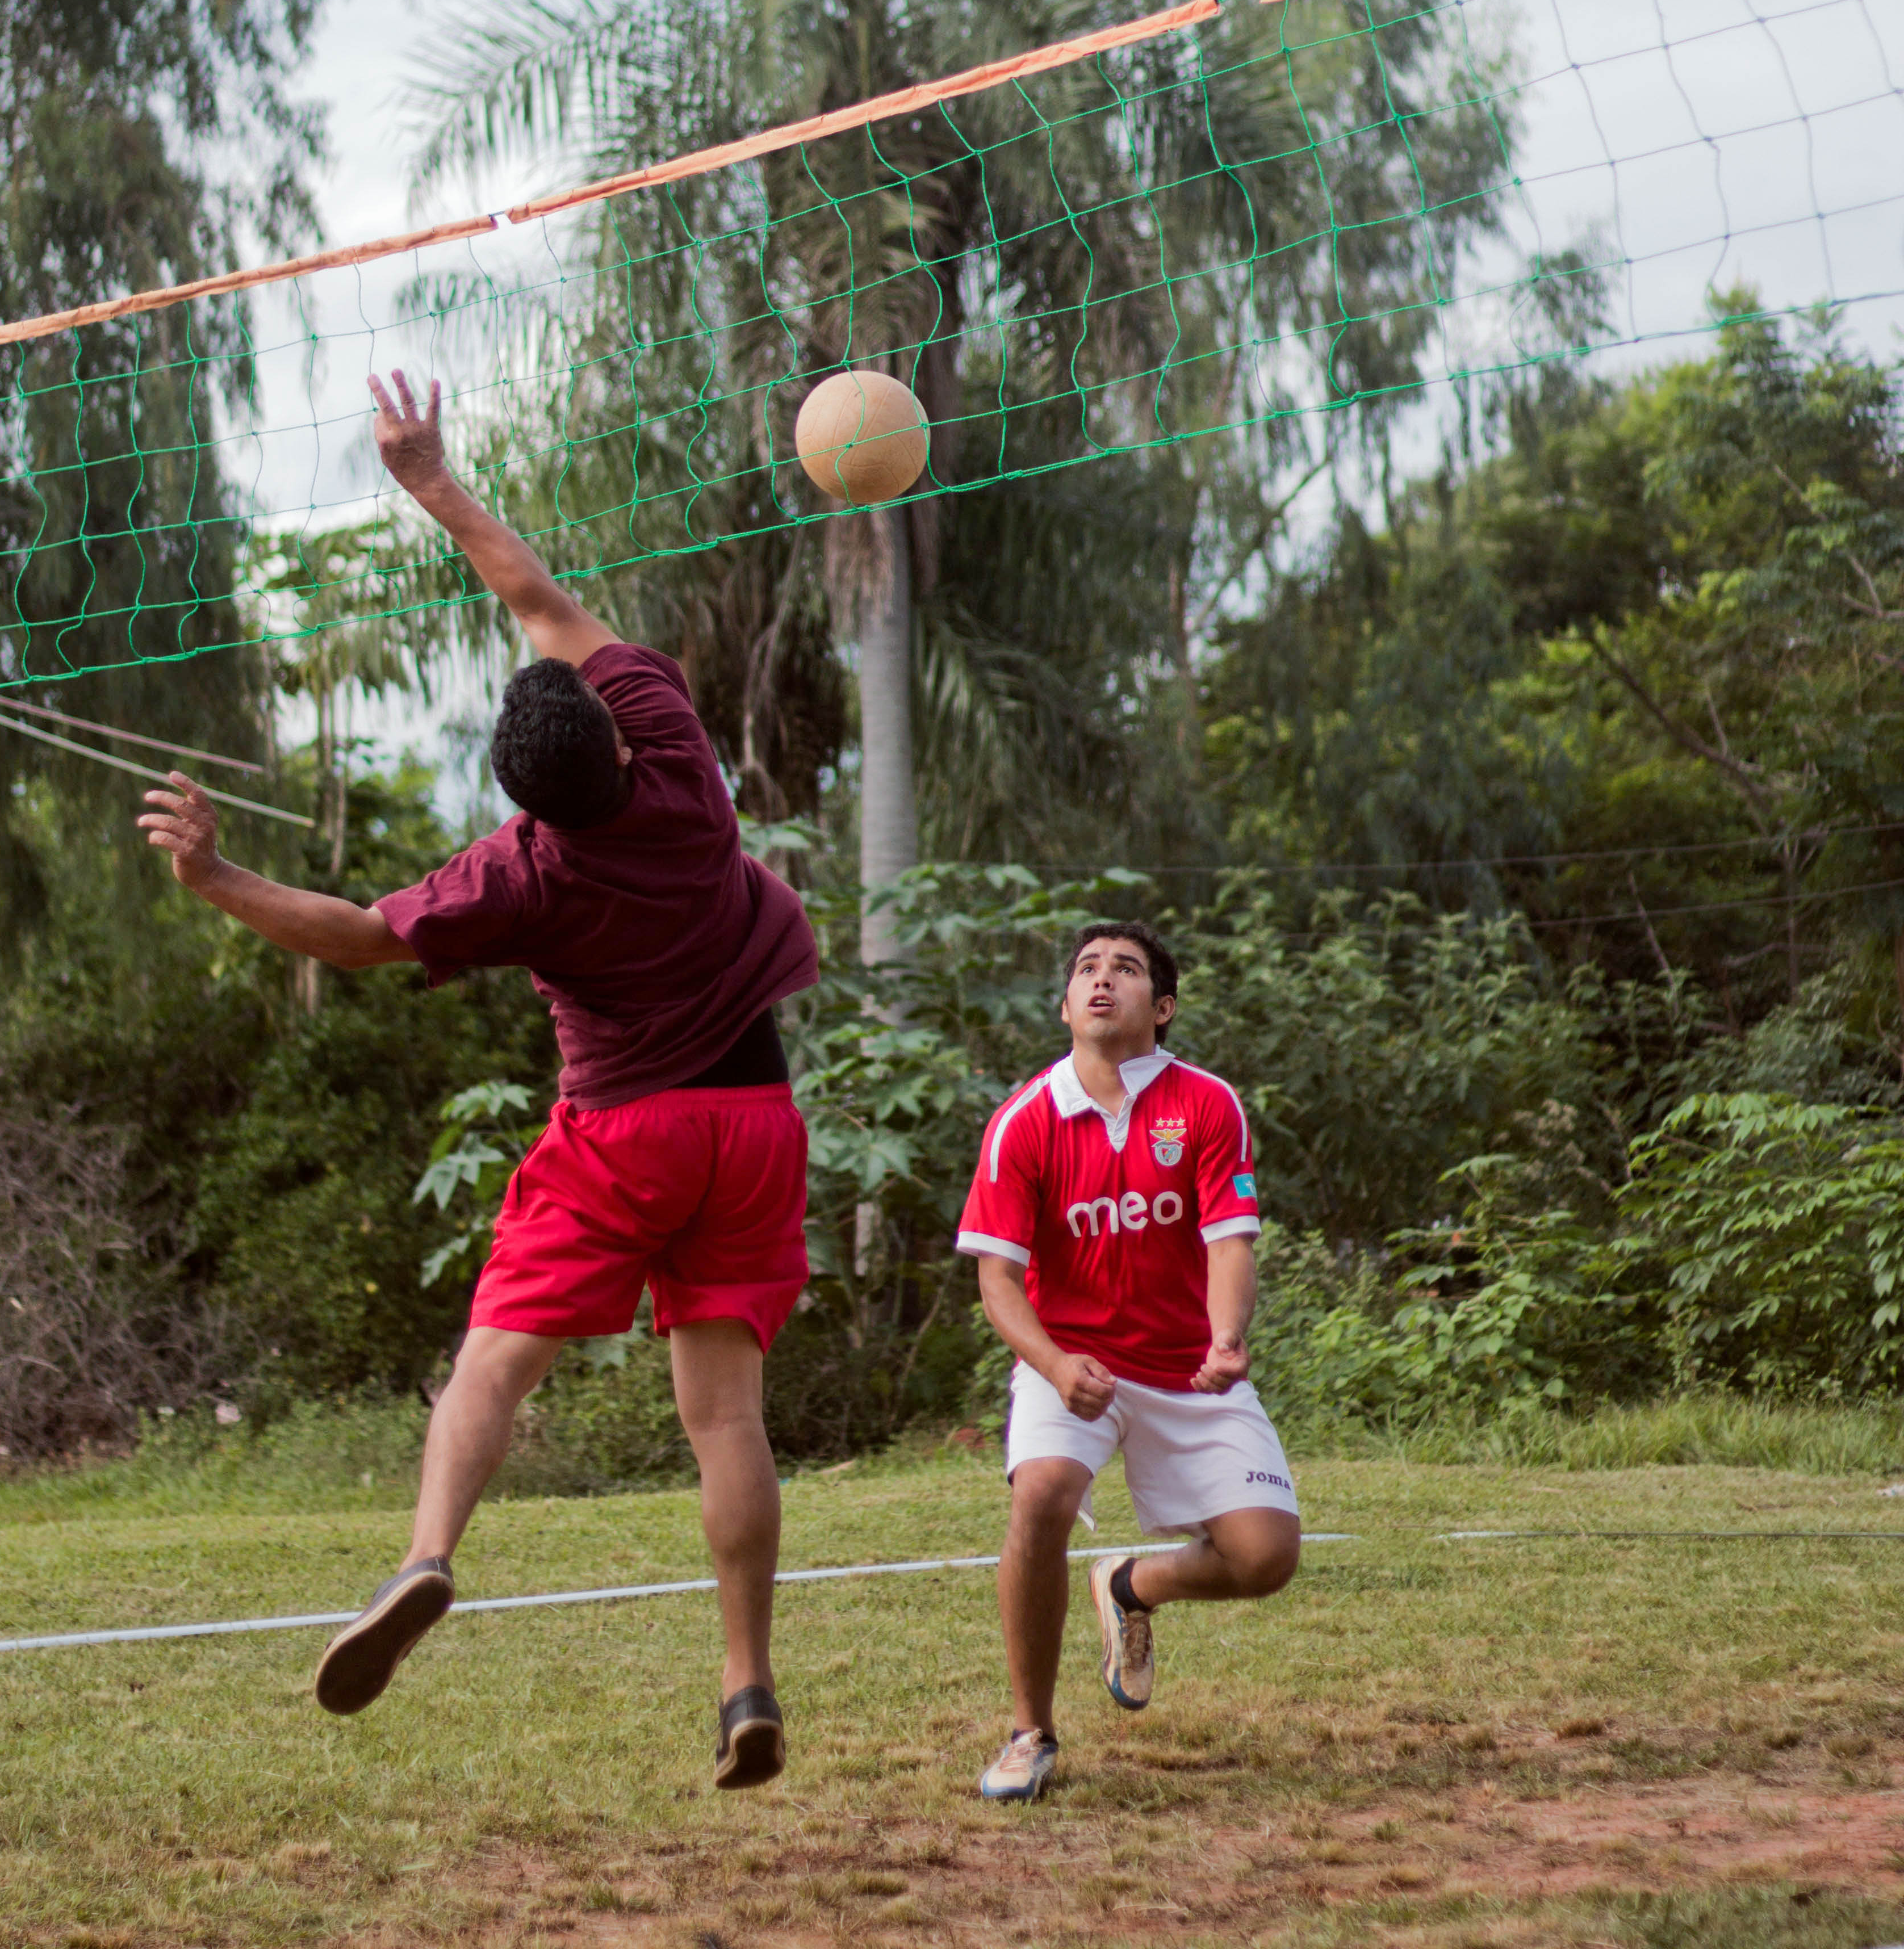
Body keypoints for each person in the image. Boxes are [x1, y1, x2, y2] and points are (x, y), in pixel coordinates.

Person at [137, 371, 818, 1789]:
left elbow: (359, 934)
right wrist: (431, 480)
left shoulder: (519, 875)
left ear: (526, 795)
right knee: (728, 1421)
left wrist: (215, 876)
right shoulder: (678, 758)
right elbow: (536, 595)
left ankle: (428, 1557)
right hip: (751, 1121)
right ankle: (745, 1684)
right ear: (621, 739)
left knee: (495, 1362)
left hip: (623, 1132)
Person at [955, 920, 1299, 1803]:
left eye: (1128, 969)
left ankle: (1131, 1584)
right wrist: (1055, 1363)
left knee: (1265, 1560)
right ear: (1067, 1005)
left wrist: (1227, 1338)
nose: (1103, 980)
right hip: (1068, 1360)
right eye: (1086, 970)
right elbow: (998, 1281)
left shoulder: (1209, 1104)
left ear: (1164, 1005)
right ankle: (1031, 1733)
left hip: (1188, 1367)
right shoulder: (1024, 1120)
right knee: (1040, 1493)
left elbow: (1230, 1243)